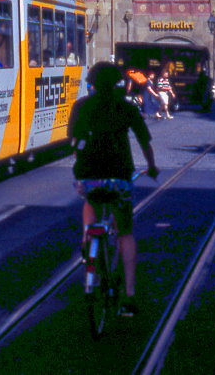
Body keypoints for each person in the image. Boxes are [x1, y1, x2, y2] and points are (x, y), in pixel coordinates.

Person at [70, 62, 159, 317]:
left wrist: (81, 157)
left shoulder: (81, 106)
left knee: (91, 200)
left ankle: (87, 239)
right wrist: (151, 166)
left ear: (92, 82)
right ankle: (129, 295)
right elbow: (144, 141)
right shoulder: (127, 107)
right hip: (119, 174)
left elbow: (73, 140)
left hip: (88, 175)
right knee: (125, 232)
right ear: (117, 83)